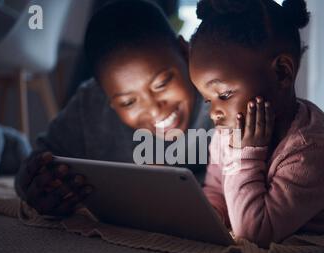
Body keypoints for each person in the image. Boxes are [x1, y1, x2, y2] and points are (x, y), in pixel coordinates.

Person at [188, 0, 324, 248]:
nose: (214, 112)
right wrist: (212, 215)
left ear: (282, 73)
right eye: (207, 99)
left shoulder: (312, 153)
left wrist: (245, 155)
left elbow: (254, 232)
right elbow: (217, 189)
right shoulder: (228, 133)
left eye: (224, 95)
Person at [15, 0, 212, 217]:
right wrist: (38, 188)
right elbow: (36, 165)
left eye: (162, 83)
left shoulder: (221, 94)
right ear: (105, 96)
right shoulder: (89, 107)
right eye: (128, 102)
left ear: (185, 52)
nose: (155, 110)